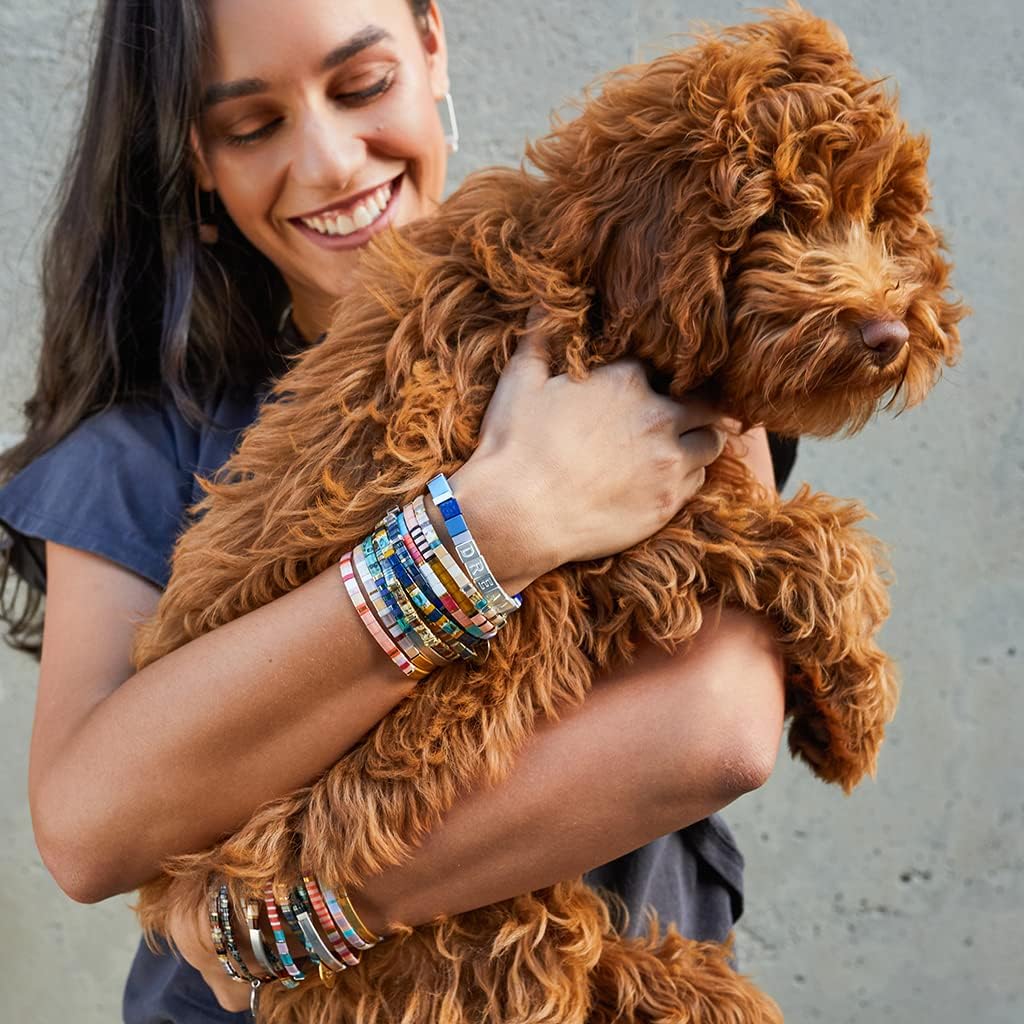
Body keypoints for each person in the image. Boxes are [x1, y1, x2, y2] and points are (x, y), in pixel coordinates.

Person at [0, 0, 796, 1018]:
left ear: (430, 44)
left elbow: (716, 727)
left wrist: (292, 915)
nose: (330, 163)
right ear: (196, 155)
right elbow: (87, 825)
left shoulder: (657, 315)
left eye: (361, 85)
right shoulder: (147, 452)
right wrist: (498, 525)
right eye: (252, 126)